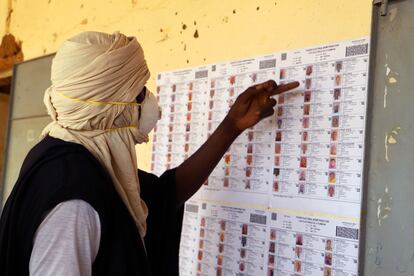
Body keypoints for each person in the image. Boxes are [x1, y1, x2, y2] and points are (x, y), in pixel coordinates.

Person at [0, 31, 299, 275]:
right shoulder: (74, 198)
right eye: (139, 91)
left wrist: (232, 125)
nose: (150, 101)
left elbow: (165, 195)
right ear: (111, 105)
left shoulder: (81, 157)